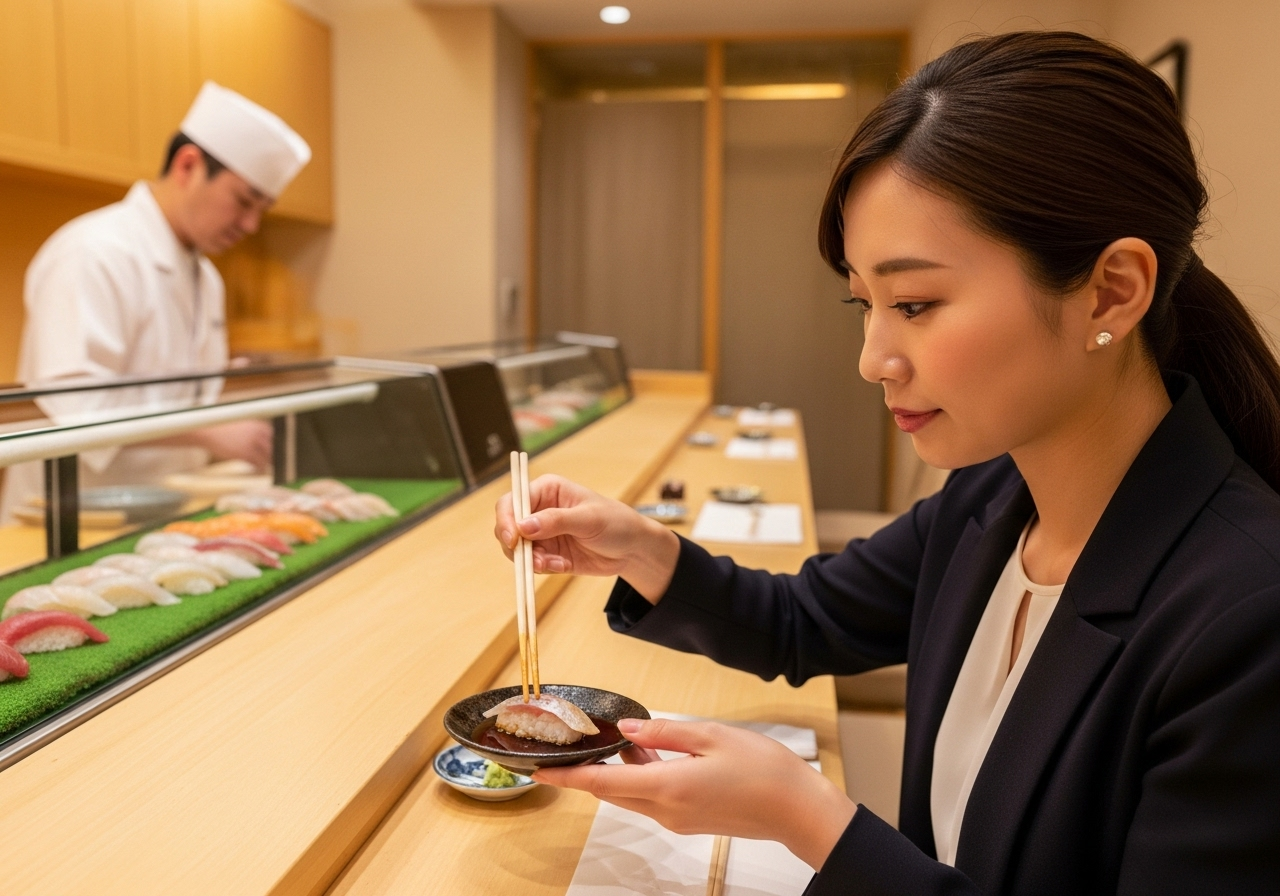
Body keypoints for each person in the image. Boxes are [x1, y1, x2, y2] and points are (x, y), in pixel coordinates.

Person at [493, 32, 1280, 894]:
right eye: (864, 303)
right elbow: (804, 619)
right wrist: (639, 546)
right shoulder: (994, 497)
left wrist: (810, 819)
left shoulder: (1246, 615)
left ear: (1112, 291)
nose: (873, 360)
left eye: (915, 303)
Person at [0, 82, 311, 524]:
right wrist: (208, 432)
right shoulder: (94, 251)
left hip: (165, 513)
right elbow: (77, 408)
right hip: (69, 520)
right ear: (188, 165)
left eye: (262, 209)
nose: (250, 225)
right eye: (243, 201)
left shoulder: (206, 276)